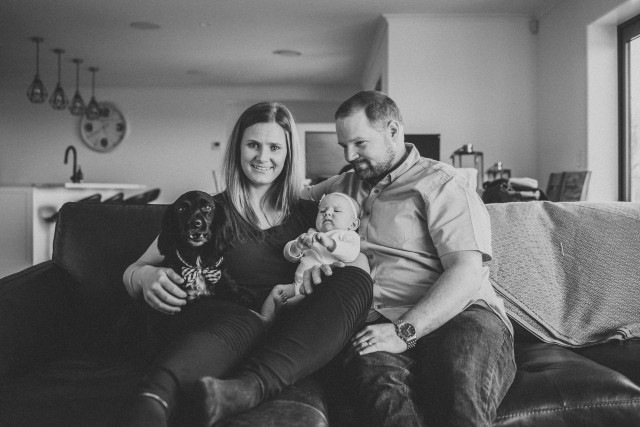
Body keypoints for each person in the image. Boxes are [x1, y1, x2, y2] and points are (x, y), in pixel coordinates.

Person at [121, 101, 372, 426]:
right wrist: (144, 276)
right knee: (245, 319)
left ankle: (248, 388)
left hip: (292, 340)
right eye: (253, 145)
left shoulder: (313, 215)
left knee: (357, 279)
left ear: (289, 154)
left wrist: (329, 274)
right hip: (224, 330)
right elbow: (134, 269)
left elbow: (356, 260)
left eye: (274, 147)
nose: (263, 157)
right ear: (238, 148)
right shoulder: (208, 211)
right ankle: (152, 401)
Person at [303, 91, 516, 426]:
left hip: (461, 314)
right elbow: (277, 201)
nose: (350, 156)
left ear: (393, 131)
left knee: (459, 398)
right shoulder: (343, 186)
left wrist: (404, 332)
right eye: (344, 145)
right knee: (384, 402)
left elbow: (466, 270)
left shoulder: (442, 183)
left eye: (359, 143)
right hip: (375, 323)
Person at [261, 192, 365, 322]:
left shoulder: (348, 236)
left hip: (318, 286)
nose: (327, 213)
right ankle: (265, 319)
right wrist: (296, 247)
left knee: (301, 300)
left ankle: (284, 309)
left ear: (353, 224)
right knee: (277, 290)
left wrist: (331, 244)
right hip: (297, 284)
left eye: (337, 211)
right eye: (322, 211)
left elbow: (351, 254)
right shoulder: (311, 234)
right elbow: (289, 256)